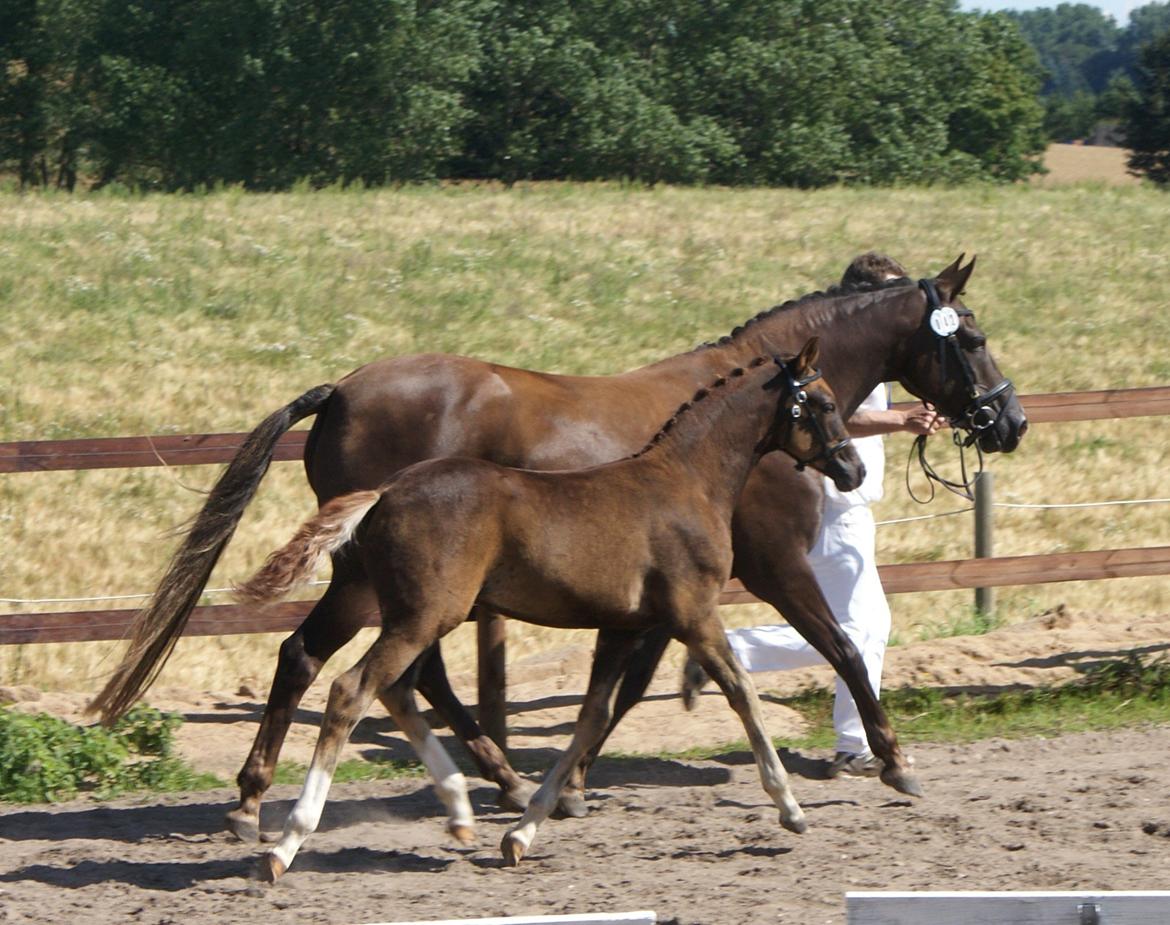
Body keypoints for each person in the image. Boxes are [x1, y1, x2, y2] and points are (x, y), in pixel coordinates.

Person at [682, 252, 943, 778]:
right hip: (835, 500)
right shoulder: (850, 347)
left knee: (856, 626)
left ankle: (736, 656)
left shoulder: (872, 346)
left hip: (843, 500)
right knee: (863, 626)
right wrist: (900, 419)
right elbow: (832, 412)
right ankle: (847, 739)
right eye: (891, 294)